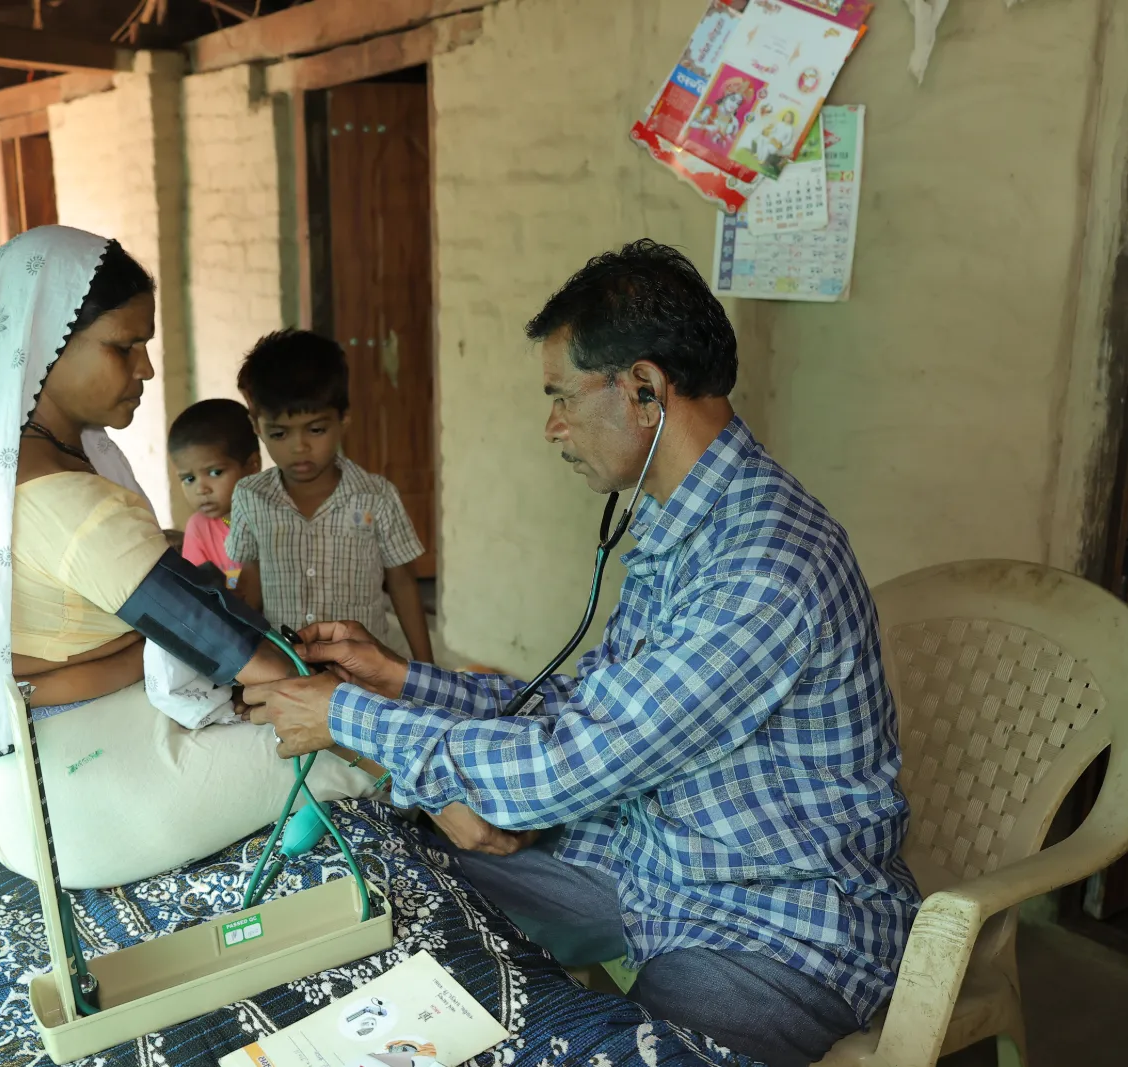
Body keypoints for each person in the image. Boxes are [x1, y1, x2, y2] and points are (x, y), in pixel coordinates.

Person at [241, 240, 921, 1067]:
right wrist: (402, 678)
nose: (553, 426)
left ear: (644, 390)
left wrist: (351, 717)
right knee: (392, 870)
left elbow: (570, 762)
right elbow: (588, 705)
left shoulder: (763, 565)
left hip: (773, 922)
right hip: (649, 861)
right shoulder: (679, 522)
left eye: (562, 396)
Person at [0, 226, 379, 889]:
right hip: (69, 804)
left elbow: (133, 634)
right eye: (124, 346)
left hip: (16, 771)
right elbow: (226, 644)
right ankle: (467, 820)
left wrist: (119, 653)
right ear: (44, 346)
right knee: (357, 742)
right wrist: (351, 697)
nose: (145, 368)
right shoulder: (67, 502)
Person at [228, 329, 434, 663]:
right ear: (257, 427)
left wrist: (426, 669)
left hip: (364, 669)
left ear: (344, 419)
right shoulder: (250, 497)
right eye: (279, 433)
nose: (299, 447)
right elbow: (251, 581)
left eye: (316, 429)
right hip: (286, 664)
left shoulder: (376, 497)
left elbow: (402, 583)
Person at [169, 398, 261, 589]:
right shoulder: (199, 528)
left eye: (215, 473)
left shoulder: (275, 515)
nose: (201, 489)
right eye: (189, 479)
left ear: (252, 466)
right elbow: (201, 591)